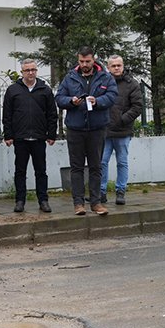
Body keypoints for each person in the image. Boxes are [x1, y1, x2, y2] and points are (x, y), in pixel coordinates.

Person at [55, 46, 117, 215]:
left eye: (87, 61)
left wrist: (98, 101)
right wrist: (71, 101)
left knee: (96, 166)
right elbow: (59, 98)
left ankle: (96, 203)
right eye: (81, 61)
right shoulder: (70, 77)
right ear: (78, 60)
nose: (84, 64)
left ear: (93, 59)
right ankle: (78, 203)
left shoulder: (105, 77)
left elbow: (112, 96)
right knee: (76, 167)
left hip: (97, 129)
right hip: (75, 129)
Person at [2, 59, 58, 213]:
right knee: (20, 171)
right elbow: (7, 114)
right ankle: (20, 200)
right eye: (27, 70)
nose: (31, 73)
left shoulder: (45, 90)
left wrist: (51, 134)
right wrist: (8, 135)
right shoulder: (13, 90)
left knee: (41, 171)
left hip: (39, 137)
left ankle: (43, 200)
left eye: (33, 70)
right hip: (20, 138)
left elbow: (52, 114)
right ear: (22, 72)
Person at [100, 55, 143, 205]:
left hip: (123, 131)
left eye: (119, 65)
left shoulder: (132, 84)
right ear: (108, 67)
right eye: (113, 66)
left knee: (122, 162)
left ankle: (120, 191)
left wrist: (122, 119)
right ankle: (101, 192)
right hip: (104, 131)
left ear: (123, 66)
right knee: (102, 162)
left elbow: (137, 106)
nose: (117, 68)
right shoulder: (102, 82)